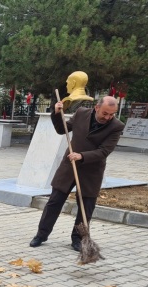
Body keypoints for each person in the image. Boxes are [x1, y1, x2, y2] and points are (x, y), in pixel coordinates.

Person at [29, 96, 123, 251]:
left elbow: (104, 151)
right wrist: (57, 113)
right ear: (97, 108)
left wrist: (82, 156)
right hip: (69, 167)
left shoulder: (116, 126)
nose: (108, 117)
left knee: (86, 208)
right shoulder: (81, 113)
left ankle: (78, 239)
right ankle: (41, 234)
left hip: (91, 171)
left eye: (111, 114)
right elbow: (62, 129)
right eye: (105, 113)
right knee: (54, 202)